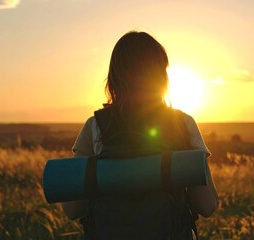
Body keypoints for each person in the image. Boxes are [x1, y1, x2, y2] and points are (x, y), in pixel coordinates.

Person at [61, 31, 218, 239]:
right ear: (161, 75)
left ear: (115, 77)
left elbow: (74, 209)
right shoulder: (182, 124)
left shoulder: (95, 127)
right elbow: (206, 205)